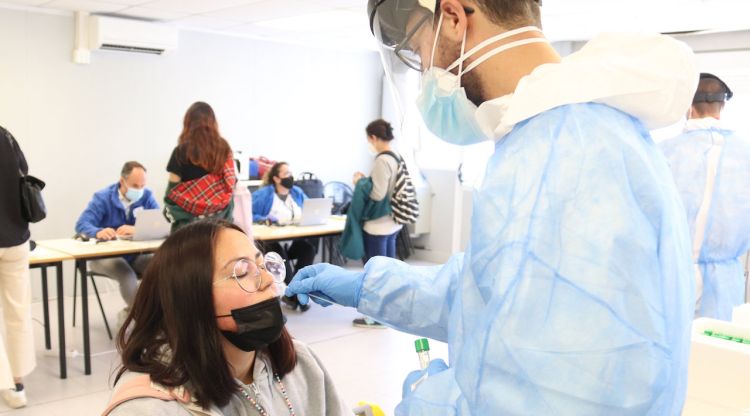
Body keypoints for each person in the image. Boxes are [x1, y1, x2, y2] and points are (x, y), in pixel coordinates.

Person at [286, 0, 698, 414]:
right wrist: (367, 288)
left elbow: (565, 390)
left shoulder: (564, 151)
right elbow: (487, 293)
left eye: (417, 50)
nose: (425, 71)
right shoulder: (560, 137)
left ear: (452, 19)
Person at [103, 220, 349, 415]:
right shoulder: (148, 408)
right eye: (242, 272)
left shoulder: (300, 362)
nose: (267, 281)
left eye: (263, 265)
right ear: (191, 298)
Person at [660, 73, 750, 321]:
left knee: (674, 350)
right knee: (715, 351)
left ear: (688, 107)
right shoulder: (745, 153)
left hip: (672, 275)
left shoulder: (664, 152)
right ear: (722, 106)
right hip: (725, 282)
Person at [75, 161, 159, 329]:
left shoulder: (147, 196)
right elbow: (82, 224)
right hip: (105, 257)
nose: (139, 189)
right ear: (122, 181)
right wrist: (98, 231)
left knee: (162, 267)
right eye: (135, 185)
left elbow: (158, 225)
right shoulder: (103, 198)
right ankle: (144, 320)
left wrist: (136, 229)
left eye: (143, 185)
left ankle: (132, 312)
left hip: (135, 255)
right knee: (126, 275)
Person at [346, 119, 403, 328]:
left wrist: (360, 182)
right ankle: (389, 312)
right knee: (389, 270)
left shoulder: (382, 160)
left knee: (375, 272)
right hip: (393, 223)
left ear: (373, 138)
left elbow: (378, 194)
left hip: (378, 225)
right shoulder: (396, 156)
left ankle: (375, 317)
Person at [0, 126, 35, 409]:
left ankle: (5, 385)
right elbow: (23, 169)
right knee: (18, 311)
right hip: (15, 237)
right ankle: (18, 383)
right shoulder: (6, 135)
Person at [252, 162, 316, 312]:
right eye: (286, 173)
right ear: (276, 178)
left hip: (293, 238)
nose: (290, 176)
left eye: (290, 173)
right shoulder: (264, 194)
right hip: (271, 242)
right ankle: (295, 294)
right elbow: (248, 213)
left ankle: (295, 292)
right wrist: (263, 218)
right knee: (279, 255)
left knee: (308, 249)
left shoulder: (297, 192)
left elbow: (310, 207)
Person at [165, 101, 236, 231]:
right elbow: (230, 185)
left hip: (188, 229)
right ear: (213, 122)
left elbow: (171, 194)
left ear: (188, 123)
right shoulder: (224, 150)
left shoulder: (181, 151)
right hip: (219, 226)